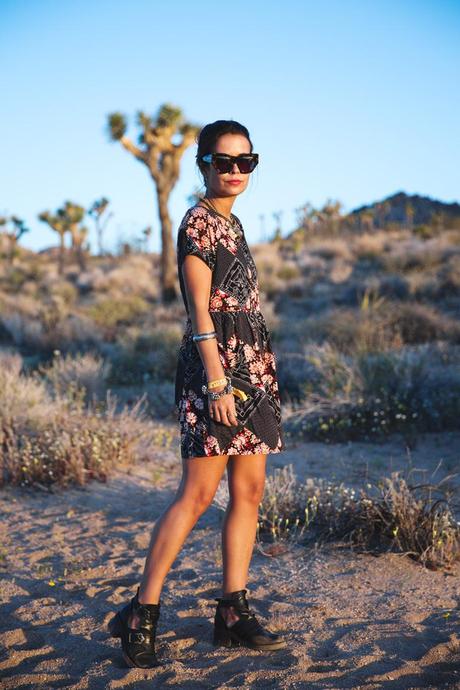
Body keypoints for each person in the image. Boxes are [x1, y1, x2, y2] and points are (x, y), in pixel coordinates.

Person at [108, 119, 286, 668]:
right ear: (203, 164)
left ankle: (232, 610)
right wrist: (216, 381)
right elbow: (200, 310)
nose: (234, 171)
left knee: (250, 490)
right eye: (223, 161)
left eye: (245, 162)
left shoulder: (234, 225)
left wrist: (249, 372)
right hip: (217, 370)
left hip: (252, 368)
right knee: (199, 494)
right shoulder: (198, 224)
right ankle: (142, 611)